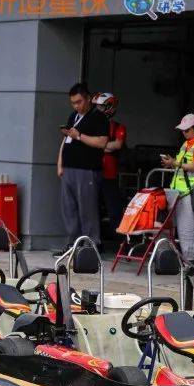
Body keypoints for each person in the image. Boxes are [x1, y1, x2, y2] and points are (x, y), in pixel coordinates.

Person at [56, 83, 109, 256]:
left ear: (88, 99)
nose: (76, 106)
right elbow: (66, 139)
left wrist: (79, 136)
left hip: (87, 169)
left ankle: (90, 245)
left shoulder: (98, 117)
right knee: (69, 208)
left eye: (79, 102)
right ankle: (73, 243)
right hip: (69, 168)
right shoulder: (73, 116)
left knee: (87, 208)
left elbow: (102, 142)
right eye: (73, 103)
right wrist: (60, 163)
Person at [161, 114, 194, 264]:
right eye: (182, 130)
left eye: (187, 130)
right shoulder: (186, 144)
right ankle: (178, 260)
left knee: (188, 230)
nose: (184, 133)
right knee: (173, 229)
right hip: (178, 192)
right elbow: (181, 165)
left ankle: (191, 262)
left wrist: (175, 163)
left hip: (189, 193)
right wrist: (171, 163)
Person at [92, 92, 127, 242]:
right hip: (93, 173)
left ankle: (119, 243)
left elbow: (117, 144)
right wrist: (104, 146)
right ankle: (94, 241)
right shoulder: (91, 125)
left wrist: (97, 145)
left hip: (110, 176)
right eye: (97, 106)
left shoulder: (118, 127)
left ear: (110, 108)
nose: (97, 109)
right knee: (92, 208)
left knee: (114, 209)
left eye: (101, 106)